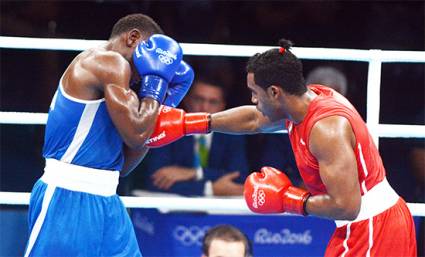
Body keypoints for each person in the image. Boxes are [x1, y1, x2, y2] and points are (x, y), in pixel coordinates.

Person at [145, 38, 417, 256]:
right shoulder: (302, 101)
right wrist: (188, 124)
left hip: (372, 227)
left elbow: (347, 206)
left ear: (275, 92)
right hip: (366, 225)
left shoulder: (326, 129)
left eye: (255, 92)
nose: (252, 99)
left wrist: (288, 199)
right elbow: (253, 119)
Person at [24, 13, 199, 256]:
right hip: (67, 196)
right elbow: (137, 135)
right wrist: (157, 87)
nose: (146, 72)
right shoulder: (106, 62)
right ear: (133, 38)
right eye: (148, 58)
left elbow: (125, 162)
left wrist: (163, 102)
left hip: (107, 197)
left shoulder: (126, 87)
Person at [143, 77, 248, 196]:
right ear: (187, 100)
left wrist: (196, 173)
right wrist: (209, 189)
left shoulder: (232, 135)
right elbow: (155, 180)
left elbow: (238, 178)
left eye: (213, 102)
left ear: (222, 106)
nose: (204, 108)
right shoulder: (167, 129)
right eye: (199, 99)